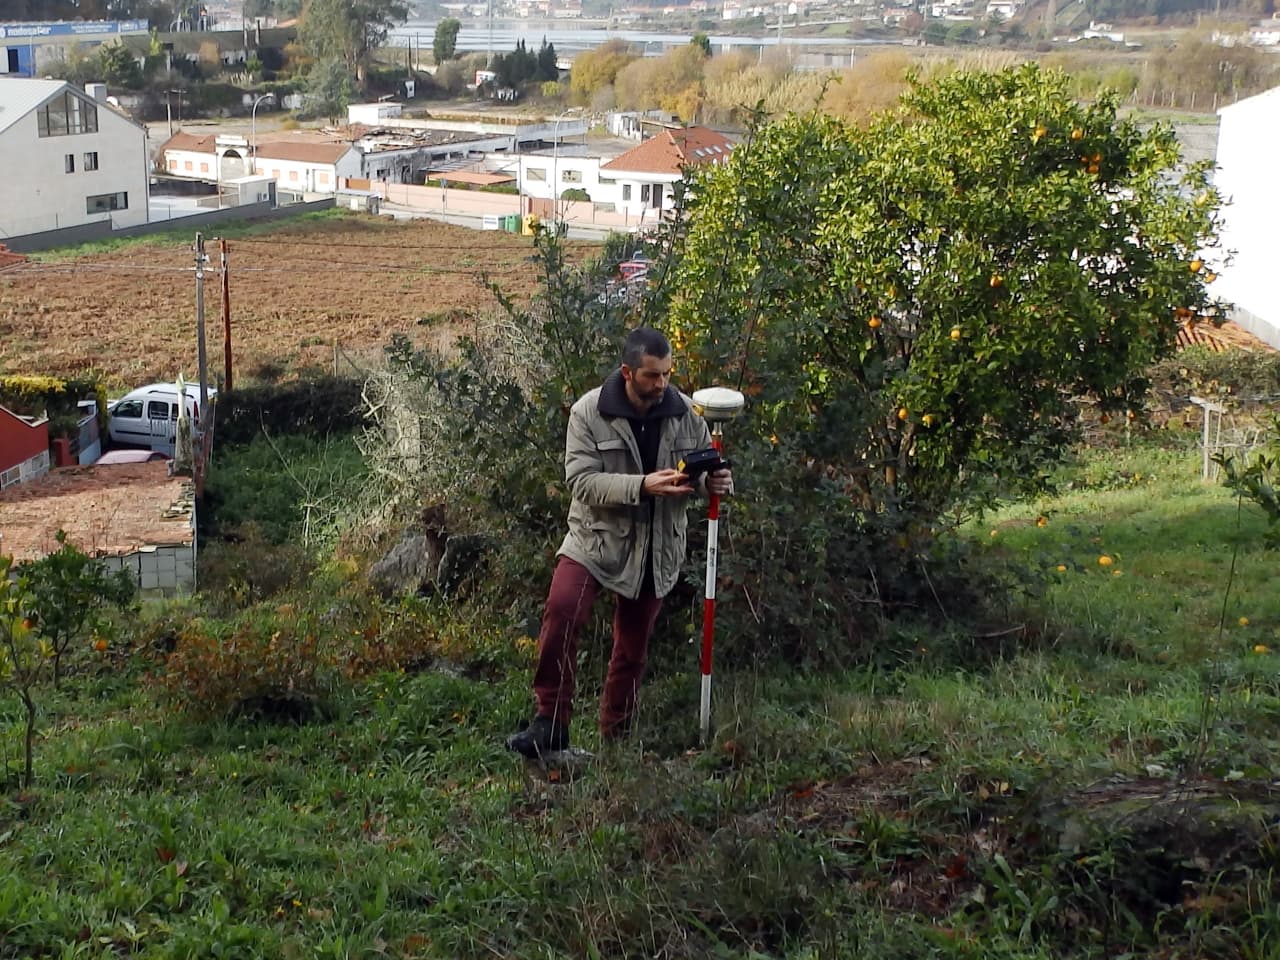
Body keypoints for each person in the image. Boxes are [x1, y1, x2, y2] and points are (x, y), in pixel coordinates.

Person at [507, 327, 734, 757]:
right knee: (561, 612)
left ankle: (617, 740)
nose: (663, 384)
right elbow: (581, 480)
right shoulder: (587, 413)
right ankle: (550, 721)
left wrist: (714, 480)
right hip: (594, 539)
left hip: (656, 546)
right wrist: (643, 486)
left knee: (632, 649)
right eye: (652, 376)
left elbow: (705, 469)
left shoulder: (688, 413)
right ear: (627, 372)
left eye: (668, 374)